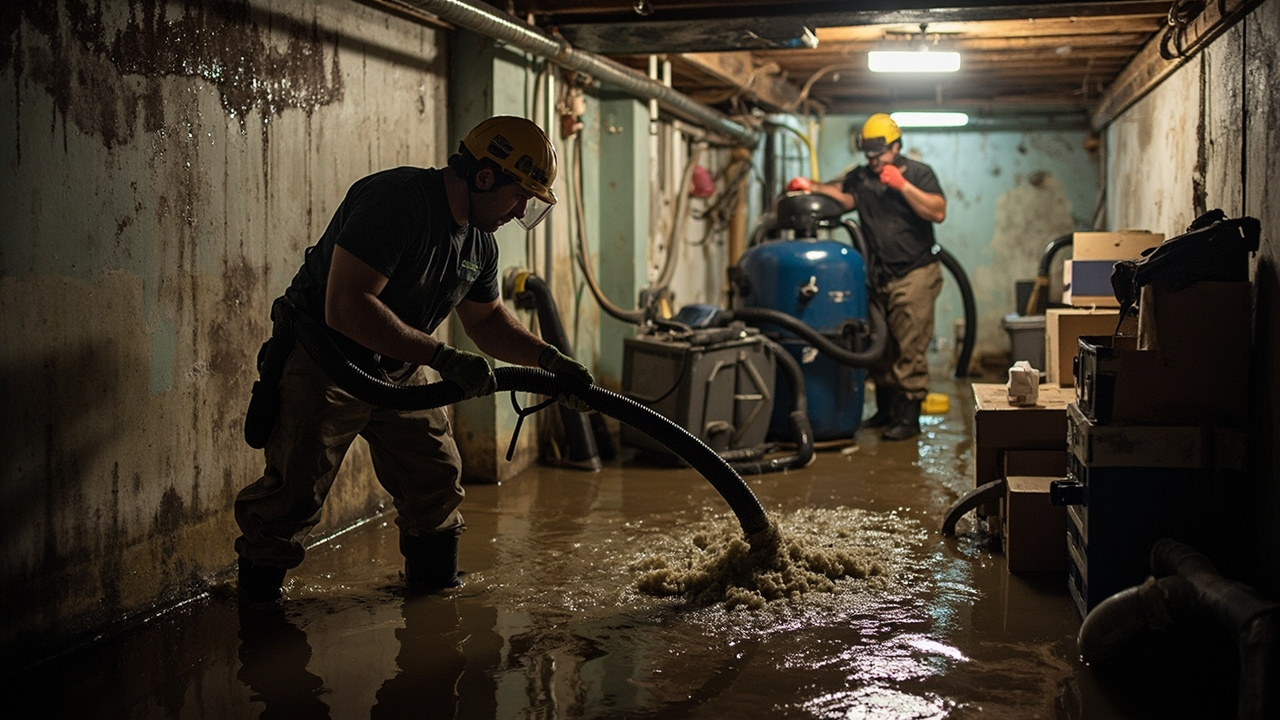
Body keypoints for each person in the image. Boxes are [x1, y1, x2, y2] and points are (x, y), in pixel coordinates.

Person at [234, 116, 594, 601]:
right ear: (485, 177)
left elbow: (486, 322)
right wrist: (442, 358)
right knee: (292, 498)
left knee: (437, 481)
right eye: (519, 195)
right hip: (326, 358)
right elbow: (346, 306)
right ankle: (257, 619)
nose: (520, 210)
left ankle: (435, 597)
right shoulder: (396, 200)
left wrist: (548, 360)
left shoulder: (479, 242)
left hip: (401, 364)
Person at [807, 113, 946, 441]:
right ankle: (886, 412)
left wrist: (902, 185)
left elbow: (937, 210)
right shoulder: (862, 178)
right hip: (878, 275)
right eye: (868, 153)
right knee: (881, 346)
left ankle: (909, 418)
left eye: (879, 152)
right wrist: (809, 187)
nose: (873, 159)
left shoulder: (919, 174)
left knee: (909, 348)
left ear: (896, 146)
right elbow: (843, 198)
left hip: (915, 273)